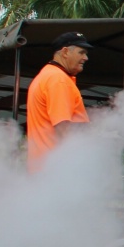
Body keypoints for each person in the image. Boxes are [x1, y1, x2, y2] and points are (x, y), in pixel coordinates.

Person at [26, 31, 92, 170]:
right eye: (81, 52)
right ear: (65, 52)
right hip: (57, 169)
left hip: (44, 168)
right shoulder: (58, 80)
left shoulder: (47, 75)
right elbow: (64, 128)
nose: (85, 58)